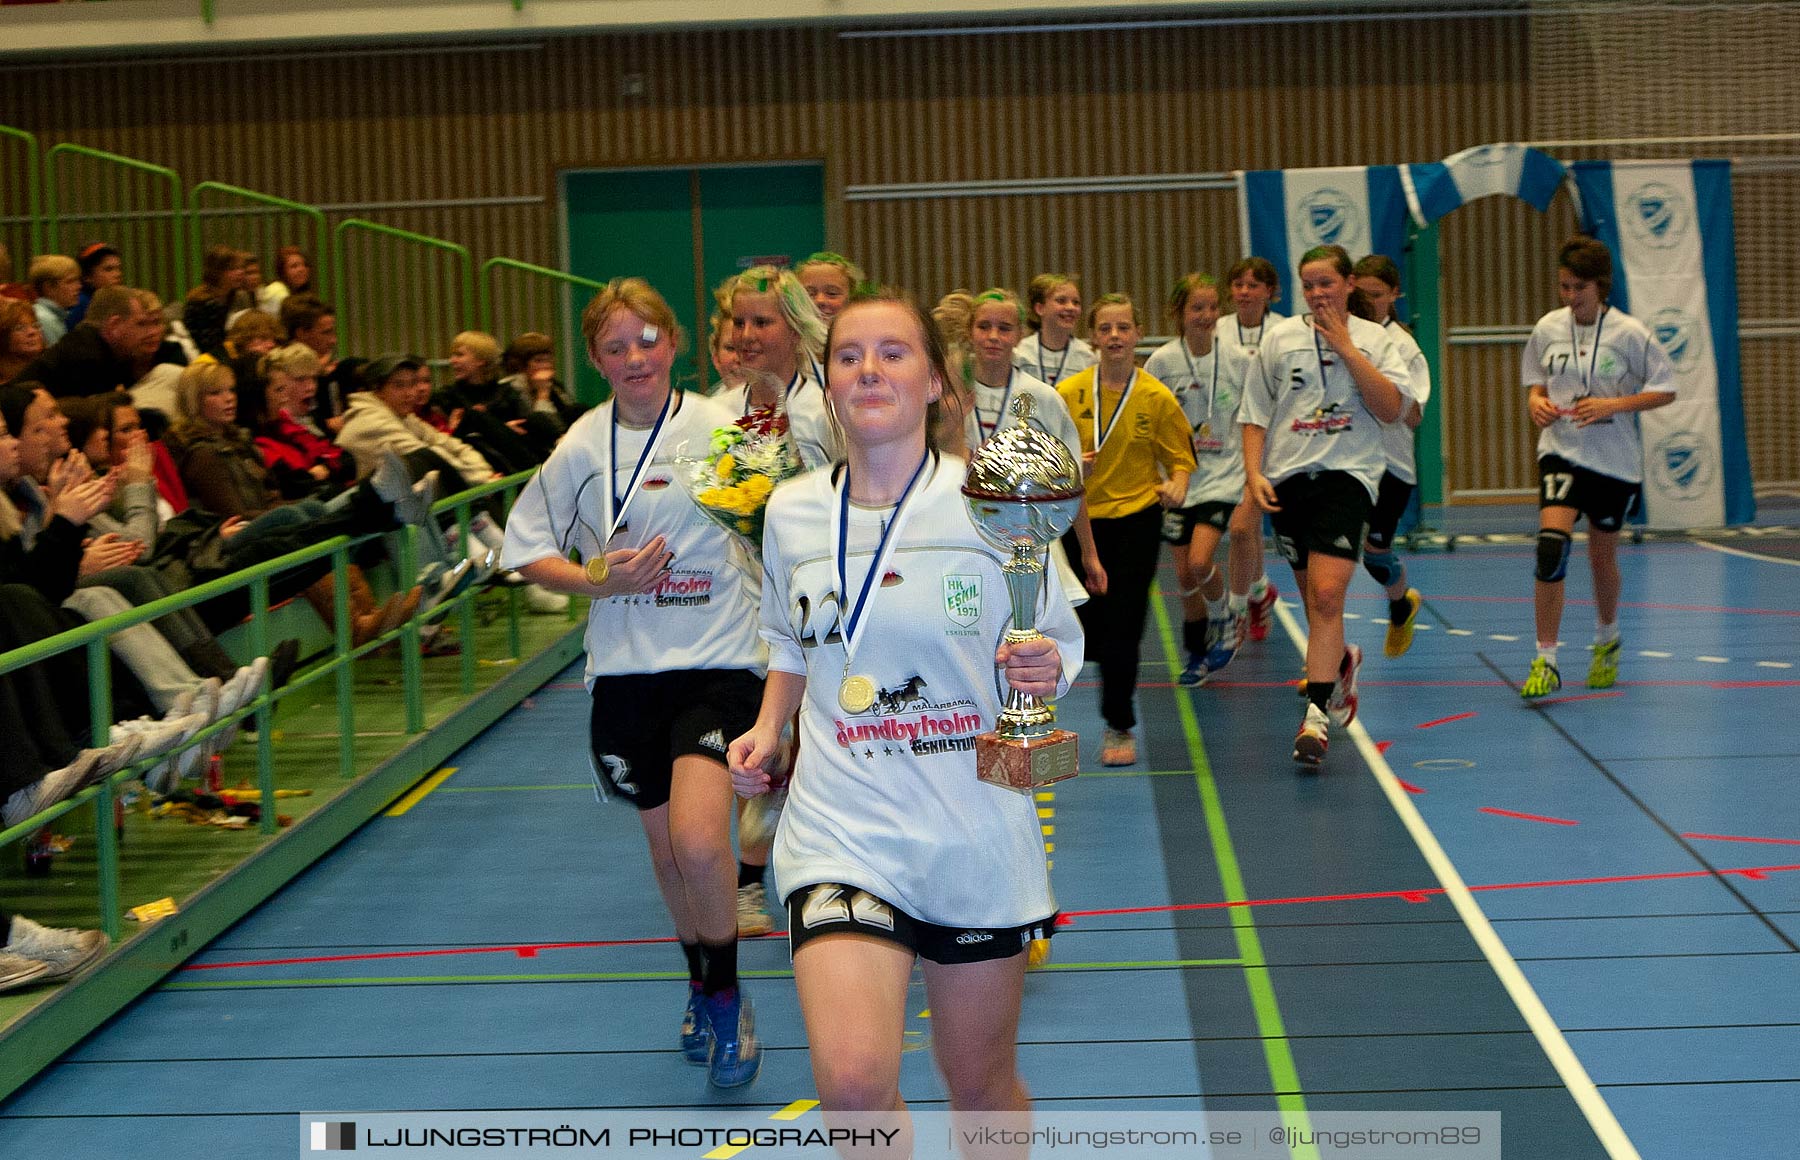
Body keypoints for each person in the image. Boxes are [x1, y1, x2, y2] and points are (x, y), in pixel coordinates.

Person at [728, 290, 1081, 1126]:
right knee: (852, 1087)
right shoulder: (790, 511)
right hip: (841, 828)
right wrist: (768, 730)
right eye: (849, 356)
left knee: (981, 1089)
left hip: (972, 829)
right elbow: (790, 638)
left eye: (894, 352)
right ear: (829, 384)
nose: (869, 370)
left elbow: (1060, 643)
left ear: (934, 381)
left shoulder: (995, 502)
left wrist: (1041, 667)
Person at [501, 277, 767, 1088]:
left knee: (699, 840)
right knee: (669, 858)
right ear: (594, 359)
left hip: (720, 662)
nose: (633, 358)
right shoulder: (581, 447)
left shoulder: (725, 428)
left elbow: (782, 529)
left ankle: (727, 1003)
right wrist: (595, 580)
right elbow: (522, 551)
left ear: (675, 340)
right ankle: (698, 980)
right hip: (625, 673)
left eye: (646, 339)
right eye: (615, 348)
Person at [1240, 245, 1412, 766]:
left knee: (1329, 594)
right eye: (1309, 285)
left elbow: (1392, 409)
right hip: (1291, 480)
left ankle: (1315, 720)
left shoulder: (1377, 339)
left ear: (1349, 283)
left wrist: (1349, 349)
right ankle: (1340, 664)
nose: (1317, 294)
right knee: (1317, 606)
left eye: (1327, 284)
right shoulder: (1281, 338)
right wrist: (1254, 474)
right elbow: (1255, 413)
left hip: (1349, 477)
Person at [1518, 236, 1676, 698]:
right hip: (1562, 450)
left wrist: (1614, 403)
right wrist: (1536, 403)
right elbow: (1536, 384)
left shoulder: (1630, 333)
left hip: (1614, 461)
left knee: (1602, 558)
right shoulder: (1547, 328)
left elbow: (1665, 389)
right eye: (1564, 287)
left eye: (1579, 288)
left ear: (1601, 286)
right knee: (1551, 547)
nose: (1570, 297)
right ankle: (1545, 660)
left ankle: (1607, 638)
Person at [1057, 293, 1194, 766]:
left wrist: (1177, 484)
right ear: (1093, 338)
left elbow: (1180, 458)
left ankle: (1119, 724)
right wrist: (1071, 469)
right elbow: (1048, 460)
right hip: (1078, 522)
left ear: (1137, 334)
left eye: (1124, 327)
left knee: (1124, 626)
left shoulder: (1155, 397)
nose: (1115, 336)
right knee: (1085, 625)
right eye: (1106, 328)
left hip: (1136, 520)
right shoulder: (1069, 393)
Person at [1143, 274, 1257, 686]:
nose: (1207, 316)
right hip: (1178, 479)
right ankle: (1196, 656)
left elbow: (1252, 419)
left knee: (1199, 560)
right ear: (1179, 313)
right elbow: (1152, 421)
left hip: (1223, 477)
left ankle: (1227, 615)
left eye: (1213, 307)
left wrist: (1251, 477)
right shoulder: (1161, 362)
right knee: (1185, 578)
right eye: (1197, 308)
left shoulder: (1240, 361)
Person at [1350, 254, 1431, 657]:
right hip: (1346, 461)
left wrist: (1378, 382)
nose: (1368, 302)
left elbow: (1413, 415)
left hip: (1391, 466)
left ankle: (1402, 604)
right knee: (1327, 566)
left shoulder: (1403, 346)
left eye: (1376, 295)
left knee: (1375, 559)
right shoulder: (1340, 336)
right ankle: (1328, 663)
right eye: (1360, 293)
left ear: (1395, 294)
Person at [1216, 257, 1286, 643]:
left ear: (1270, 292)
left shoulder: (1284, 332)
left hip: (1270, 440)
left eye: (1253, 285)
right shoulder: (1219, 330)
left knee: (1242, 526)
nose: (1244, 291)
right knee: (1248, 527)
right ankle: (1260, 592)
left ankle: (1237, 610)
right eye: (1239, 284)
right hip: (1225, 441)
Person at [720, 265, 838, 470]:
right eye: (739, 323)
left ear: (794, 330)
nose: (746, 336)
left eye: (761, 323)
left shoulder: (825, 415)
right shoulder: (717, 410)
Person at [1014, 273, 1096, 389]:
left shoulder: (1087, 357)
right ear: (1040, 308)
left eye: (1076, 302)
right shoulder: (1021, 353)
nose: (1071, 307)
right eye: (1061, 301)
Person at [182, 246, 248, 359]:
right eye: (232, 269)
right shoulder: (201, 303)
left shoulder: (238, 297)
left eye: (241, 268)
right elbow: (209, 347)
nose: (240, 272)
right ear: (216, 272)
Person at [29, 255, 82, 348]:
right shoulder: (45, 320)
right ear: (49, 288)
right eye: (70, 281)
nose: (79, 286)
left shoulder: (52, 316)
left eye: (78, 280)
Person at [0, 298, 45, 385]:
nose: (32, 332)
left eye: (35, 325)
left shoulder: (50, 368)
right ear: (3, 337)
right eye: (20, 328)